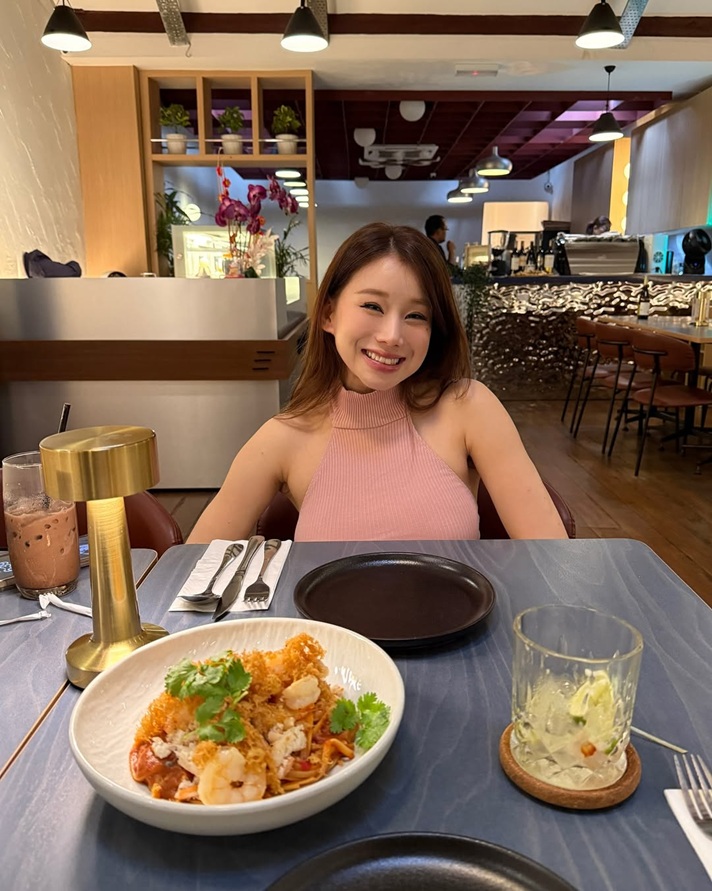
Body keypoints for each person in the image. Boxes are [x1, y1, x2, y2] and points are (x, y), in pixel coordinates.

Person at [188, 222, 567, 543]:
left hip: (460, 610)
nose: (391, 336)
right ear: (329, 314)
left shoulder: (469, 407)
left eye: (416, 315)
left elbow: (550, 554)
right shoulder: (284, 437)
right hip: (327, 614)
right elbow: (194, 569)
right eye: (372, 306)